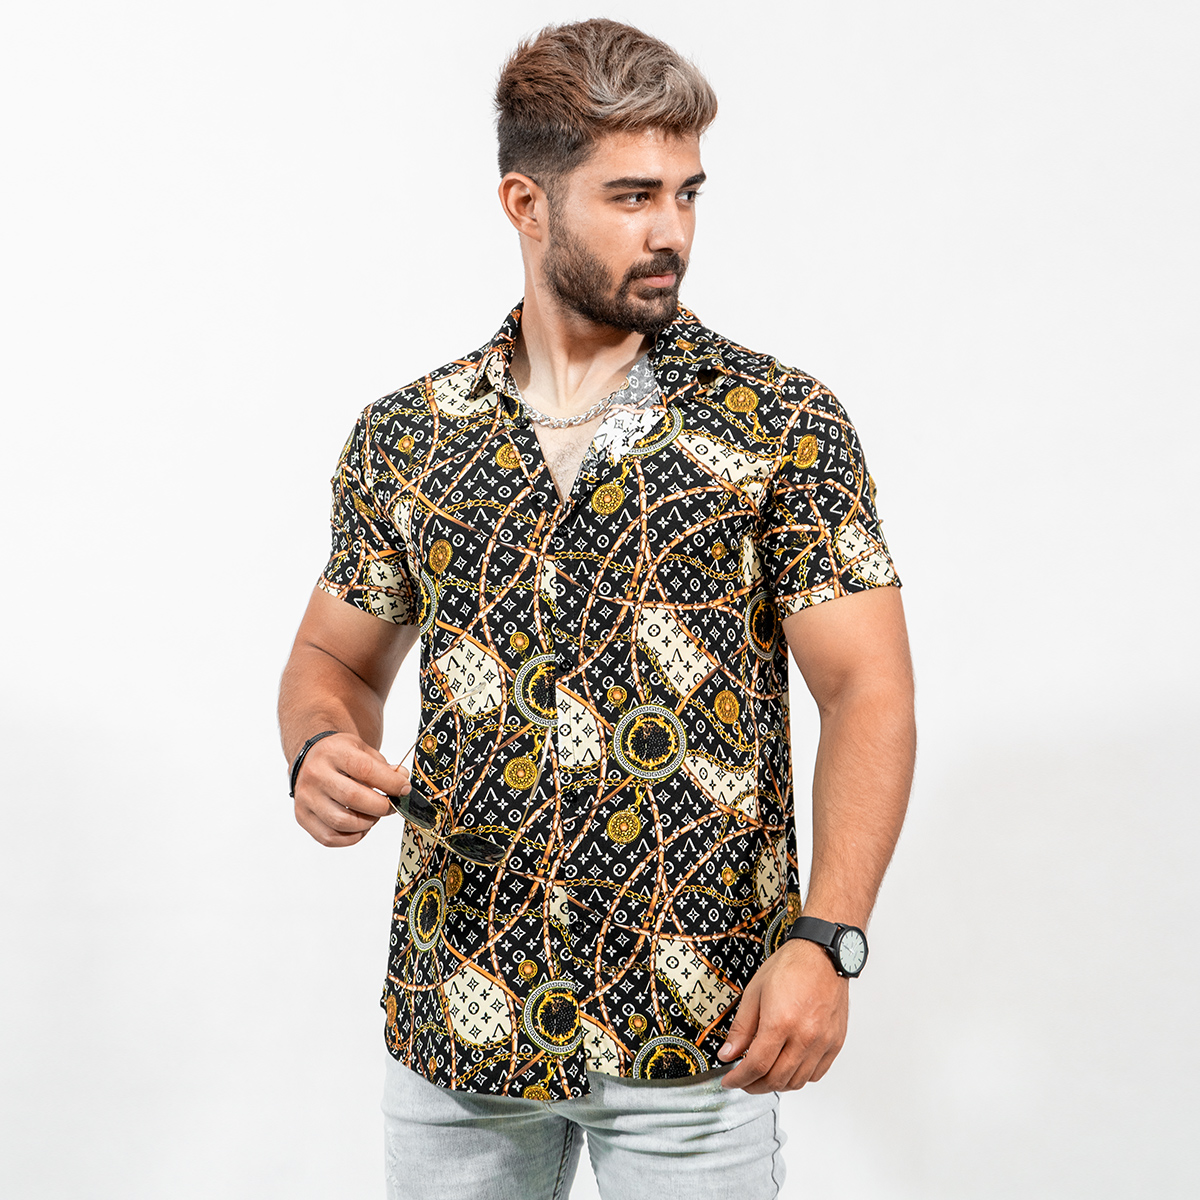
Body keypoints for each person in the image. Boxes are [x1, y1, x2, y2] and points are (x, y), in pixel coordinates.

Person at [278, 18, 915, 1200]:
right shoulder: (408, 437)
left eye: (687, 192)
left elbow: (866, 687)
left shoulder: (782, 424)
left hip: (701, 1027)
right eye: (632, 196)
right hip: (459, 1019)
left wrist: (829, 941)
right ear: (526, 204)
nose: (671, 230)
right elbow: (335, 657)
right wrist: (318, 745)